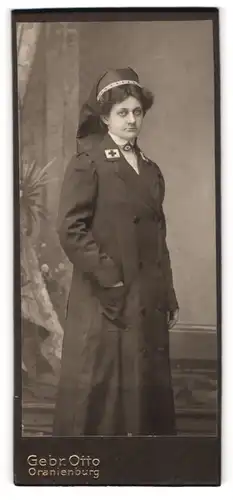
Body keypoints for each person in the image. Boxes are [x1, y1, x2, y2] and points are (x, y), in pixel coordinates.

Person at [52, 67, 179, 436]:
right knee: (100, 394)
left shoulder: (151, 170)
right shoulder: (88, 161)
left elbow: (158, 237)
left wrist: (166, 293)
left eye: (137, 112)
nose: (131, 120)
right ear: (105, 116)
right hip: (104, 297)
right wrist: (110, 277)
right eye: (122, 112)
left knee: (143, 396)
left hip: (146, 295)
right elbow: (70, 229)